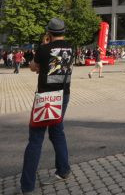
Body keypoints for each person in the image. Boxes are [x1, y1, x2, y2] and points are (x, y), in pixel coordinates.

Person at [20, 18, 73, 194]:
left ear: (49, 33)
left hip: (45, 97)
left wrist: (43, 46)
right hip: (63, 95)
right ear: (64, 31)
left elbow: (34, 68)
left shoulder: (44, 49)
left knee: (35, 138)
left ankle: (27, 186)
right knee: (57, 132)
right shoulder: (71, 48)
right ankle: (64, 170)